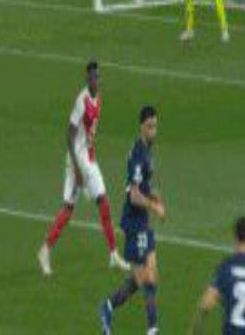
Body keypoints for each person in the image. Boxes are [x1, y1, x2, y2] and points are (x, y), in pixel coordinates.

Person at [37, 60, 129, 276]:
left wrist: (89, 161)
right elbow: (69, 135)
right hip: (76, 160)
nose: (95, 80)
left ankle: (113, 254)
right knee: (68, 209)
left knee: (103, 202)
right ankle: (45, 251)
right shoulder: (82, 101)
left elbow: (89, 134)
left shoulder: (98, 99)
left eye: (97, 76)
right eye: (92, 77)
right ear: (87, 79)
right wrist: (78, 170)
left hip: (88, 158)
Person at [100, 105, 166, 335]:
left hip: (143, 222)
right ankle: (151, 328)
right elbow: (134, 196)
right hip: (134, 223)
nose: (153, 131)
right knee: (145, 278)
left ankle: (110, 307)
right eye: (149, 127)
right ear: (141, 127)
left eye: (155, 126)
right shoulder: (138, 154)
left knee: (149, 275)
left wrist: (154, 194)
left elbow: (142, 185)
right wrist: (155, 207)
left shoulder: (147, 150)